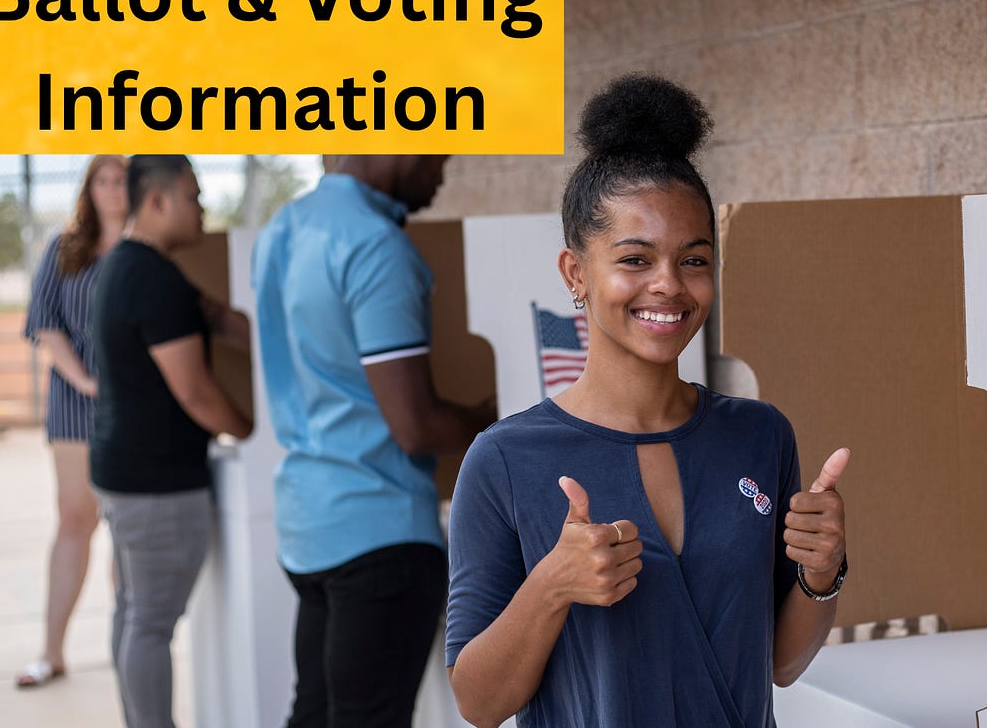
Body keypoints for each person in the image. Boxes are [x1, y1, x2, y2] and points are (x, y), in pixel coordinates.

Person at [444, 75, 851, 727]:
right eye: (635, 258)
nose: (669, 285)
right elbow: (478, 702)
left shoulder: (761, 435)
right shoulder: (505, 459)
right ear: (575, 273)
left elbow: (779, 662)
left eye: (694, 259)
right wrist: (552, 586)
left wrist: (821, 571)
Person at [252, 155, 497, 728]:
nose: (442, 174)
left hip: (306, 527)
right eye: (437, 154)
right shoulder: (376, 246)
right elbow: (415, 424)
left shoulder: (282, 230)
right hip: (379, 531)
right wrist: (491, 420)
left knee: (312, 714)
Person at [91, 154, 253, 728]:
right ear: (157, 201)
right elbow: (195, 393)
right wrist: (249, 427)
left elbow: (213, 319)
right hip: (156, 484)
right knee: (151, 622)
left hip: (123, 473)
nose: (202, 207)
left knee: (136, 612)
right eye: (193, 195)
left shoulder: (127, 266)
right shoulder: (153, 279)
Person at [18, 154, 127, 688]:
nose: (111, 190)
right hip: (75, 400)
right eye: (102, 181)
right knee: (75, 519)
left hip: (132, 403)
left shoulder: (143, 251)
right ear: (90, 188)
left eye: (121, 180)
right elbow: (44, 323)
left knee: (125, 527)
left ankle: (125, 650)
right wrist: (85, 381)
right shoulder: (65, 250)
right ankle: (51, 651)